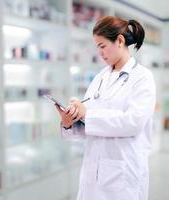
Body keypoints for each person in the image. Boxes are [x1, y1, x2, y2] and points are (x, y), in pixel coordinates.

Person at [56, 16, 156, 200]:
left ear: (119, 40)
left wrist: (88, 114)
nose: (99, 53)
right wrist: (71, 120)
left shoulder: (142, 78)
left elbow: (132, 122)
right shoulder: (100, 77)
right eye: (97, 47)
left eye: (102, 46)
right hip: (93, 171)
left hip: (123, 172)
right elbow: (89, 122)